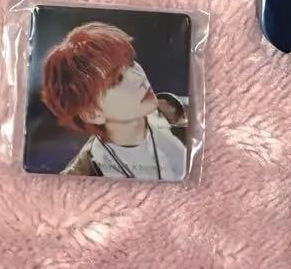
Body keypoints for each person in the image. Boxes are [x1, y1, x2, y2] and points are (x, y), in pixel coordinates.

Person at [40, 22, 188, 180]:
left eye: (131, 63)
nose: (139, 78)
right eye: (118, 79)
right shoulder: (80, 177)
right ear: (92, 113)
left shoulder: (190, 113)